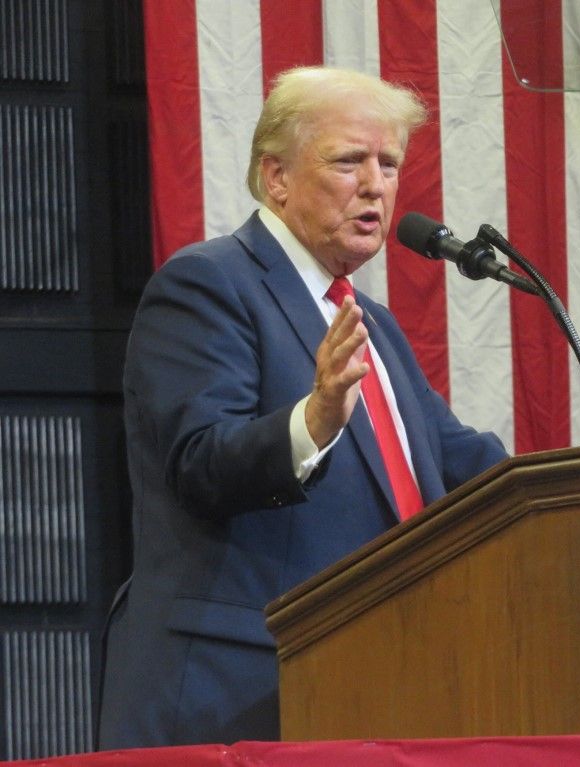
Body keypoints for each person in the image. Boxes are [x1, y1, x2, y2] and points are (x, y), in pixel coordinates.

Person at [97, 67, 508, 748]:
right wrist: (313, 420)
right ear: (276, 176)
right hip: (235, 696)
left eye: (389, 163)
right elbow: (202, 461)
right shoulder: (208, 284)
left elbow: (468, 466)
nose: (375, 183)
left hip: (374, 689)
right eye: (349, 160)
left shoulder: (370, 325)